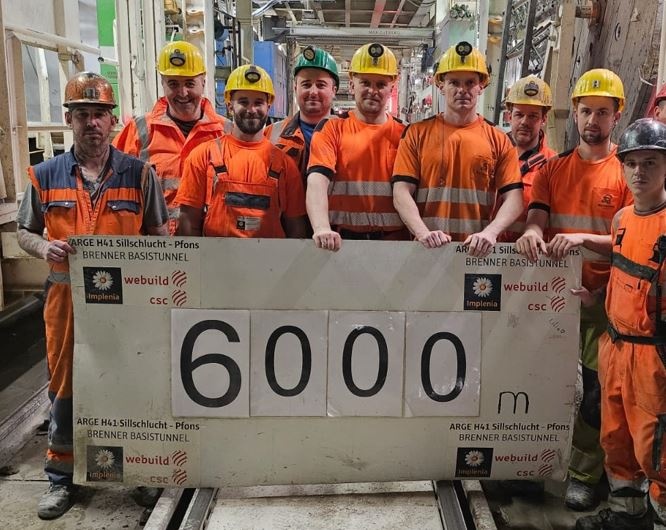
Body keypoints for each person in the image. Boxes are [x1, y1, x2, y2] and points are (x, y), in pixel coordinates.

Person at [16, 72, 169, 519]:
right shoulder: (45, 176)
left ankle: (138, 470)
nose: (92, 123)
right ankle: (61, 478)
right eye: (82, 114)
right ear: (69, 120)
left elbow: (160, 236)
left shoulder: (140, 174)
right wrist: (43, 247)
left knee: (130, 383)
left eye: (99, 114)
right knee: (66, 387)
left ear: (112, 119)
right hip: (66, 303)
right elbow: (25, 231)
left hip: (126, 306)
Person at [515, 68, 633, 511]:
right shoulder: (553, 169)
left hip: (605, 302)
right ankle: (531, 464)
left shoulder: (627, 173)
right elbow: (538, 216)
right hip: (554, 298)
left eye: (602, 112)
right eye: (586, 111)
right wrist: (531, 232)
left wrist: (583, 239)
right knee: (541, 385)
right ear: (575, 113)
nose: (592, 121)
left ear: (616, 116)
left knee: (595, 397)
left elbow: (632, 239)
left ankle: (584, 474)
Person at [572, 118, 666, 530]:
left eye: (651, 162)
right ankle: (629, 516)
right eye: (632, 163)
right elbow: (624, 271)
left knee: (656, 448)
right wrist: (597, 298)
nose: (639, 172)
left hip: (653, 357)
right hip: (616, 347)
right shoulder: (623, 218)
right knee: (616, 438)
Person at [391, 41, 523, 258]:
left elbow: (515, 199)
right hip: (427, 251)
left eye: (470, 82)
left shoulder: (499, 139)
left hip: (476, 253)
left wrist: (490, 233)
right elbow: (401, 191)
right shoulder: (416, 133)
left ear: (481, 86)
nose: (462, 90)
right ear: (441, 86)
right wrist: (422, 233)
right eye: (454, 82)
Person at [176, 64, 307, 238]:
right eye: (243, 102)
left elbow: (296, 229)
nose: (251, 110)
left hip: (270, 256)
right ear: (229, 105)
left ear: (268, 106)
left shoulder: (285, 166)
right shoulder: (203, 157)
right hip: (216, 255)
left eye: (258, 103)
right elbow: (188, 222)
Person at [113, 41, 230, 234]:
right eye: (173, 84)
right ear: (162, 83)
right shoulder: (138, 131)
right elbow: (111, 188)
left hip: (210, 245)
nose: (183, 93)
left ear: (203, 82)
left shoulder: (225, 132)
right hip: (156, 246)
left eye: (190, 83)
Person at [306, 42, 407, 251]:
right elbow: (317, 182)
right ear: (352, 85)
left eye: (381, 84)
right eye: (365, 82)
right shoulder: (332, 128)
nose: (373, 90)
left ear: (392, 88)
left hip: (394, 246)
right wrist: (321, 227)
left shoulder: (406, 134)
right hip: (341, 244)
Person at [498, 75, 557, 241]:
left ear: (544, 119)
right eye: (519, 114)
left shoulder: (554, 166)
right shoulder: (492, 157)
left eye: (532, 116)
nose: (524, 122)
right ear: (509, 116)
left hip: (528, 254)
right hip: (485, 251)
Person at [266, 46, 338, 177]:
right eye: (306, 85)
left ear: (334, 90)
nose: (313, 92)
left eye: (321, 85)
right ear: (295, 88)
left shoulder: (348, 134)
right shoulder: (271, 135)